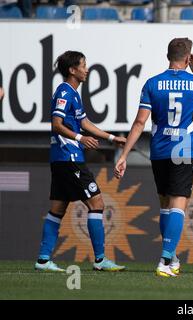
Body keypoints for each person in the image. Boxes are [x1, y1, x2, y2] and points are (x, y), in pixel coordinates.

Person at [114, 38, 193, 277]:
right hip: (183, 150)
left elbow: (140, 122)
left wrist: (124, 155)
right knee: (179, 204)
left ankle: (171, 256)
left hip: (158, 151)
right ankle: (164, 260)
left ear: (167, 55)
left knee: (164, 205)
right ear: (189, 57)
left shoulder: (152, 83)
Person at [35, 51, 127, 272]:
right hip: (70, 158)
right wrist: (79, 138)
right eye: (84, 66)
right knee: (97, 204)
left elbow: (85, 122)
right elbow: (56, 124)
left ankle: (43, 260)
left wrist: (112, 138)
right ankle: (100, 260)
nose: (87, 69)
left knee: (57, 208)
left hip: (61, 159)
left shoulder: (74, 94)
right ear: (72, 70)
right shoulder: (64, 92)